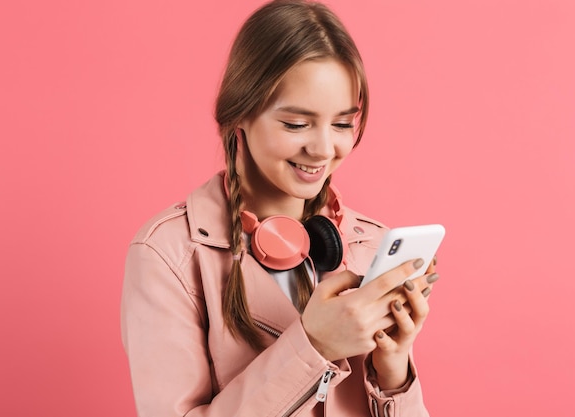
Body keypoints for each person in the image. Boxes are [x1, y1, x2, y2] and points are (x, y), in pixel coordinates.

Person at [121, 1, 439, 416]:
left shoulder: (369, 243)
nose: (324, 149)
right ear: (241, 114)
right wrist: (314, 345)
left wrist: (392, 372)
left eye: (343, 124)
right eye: (296, 124)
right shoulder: (169, 256)